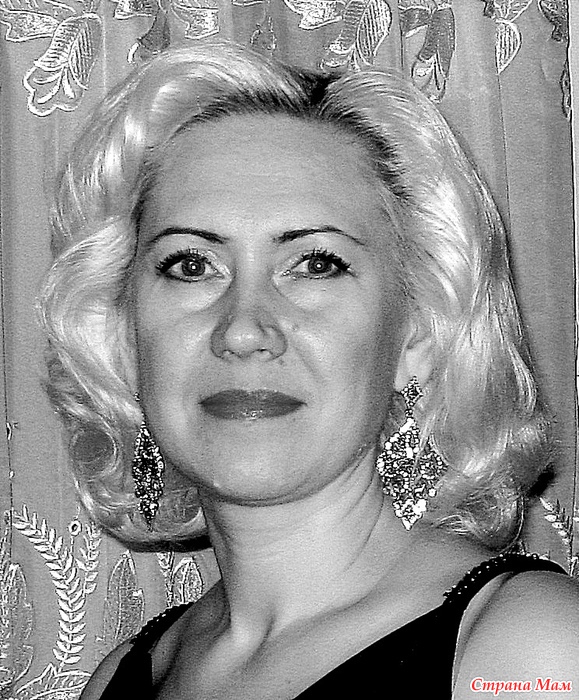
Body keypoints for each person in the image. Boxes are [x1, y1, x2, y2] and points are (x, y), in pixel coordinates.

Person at [39, 42, 579, 699]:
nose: (243, 330)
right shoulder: (120, 678)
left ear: (416, 332)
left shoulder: (527, 649)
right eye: (190, 265)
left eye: (316, 264)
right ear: (125, 334)